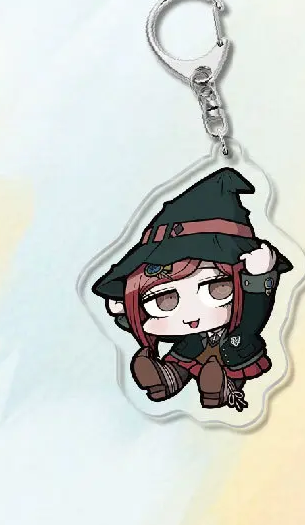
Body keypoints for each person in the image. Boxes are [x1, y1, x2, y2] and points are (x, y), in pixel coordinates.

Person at [91, 168, 292, 411]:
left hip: (235, 350)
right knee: (181, 363)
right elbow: (144, 320)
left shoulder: (243, 311)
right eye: (165, 300)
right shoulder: (186, 332)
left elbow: (255, 310)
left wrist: (259, 277)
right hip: (189, 350)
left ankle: (222, 388)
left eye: (216, 288)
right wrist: (125, 308)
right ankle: (166, 379)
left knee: (223, 369)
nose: (190, 316)